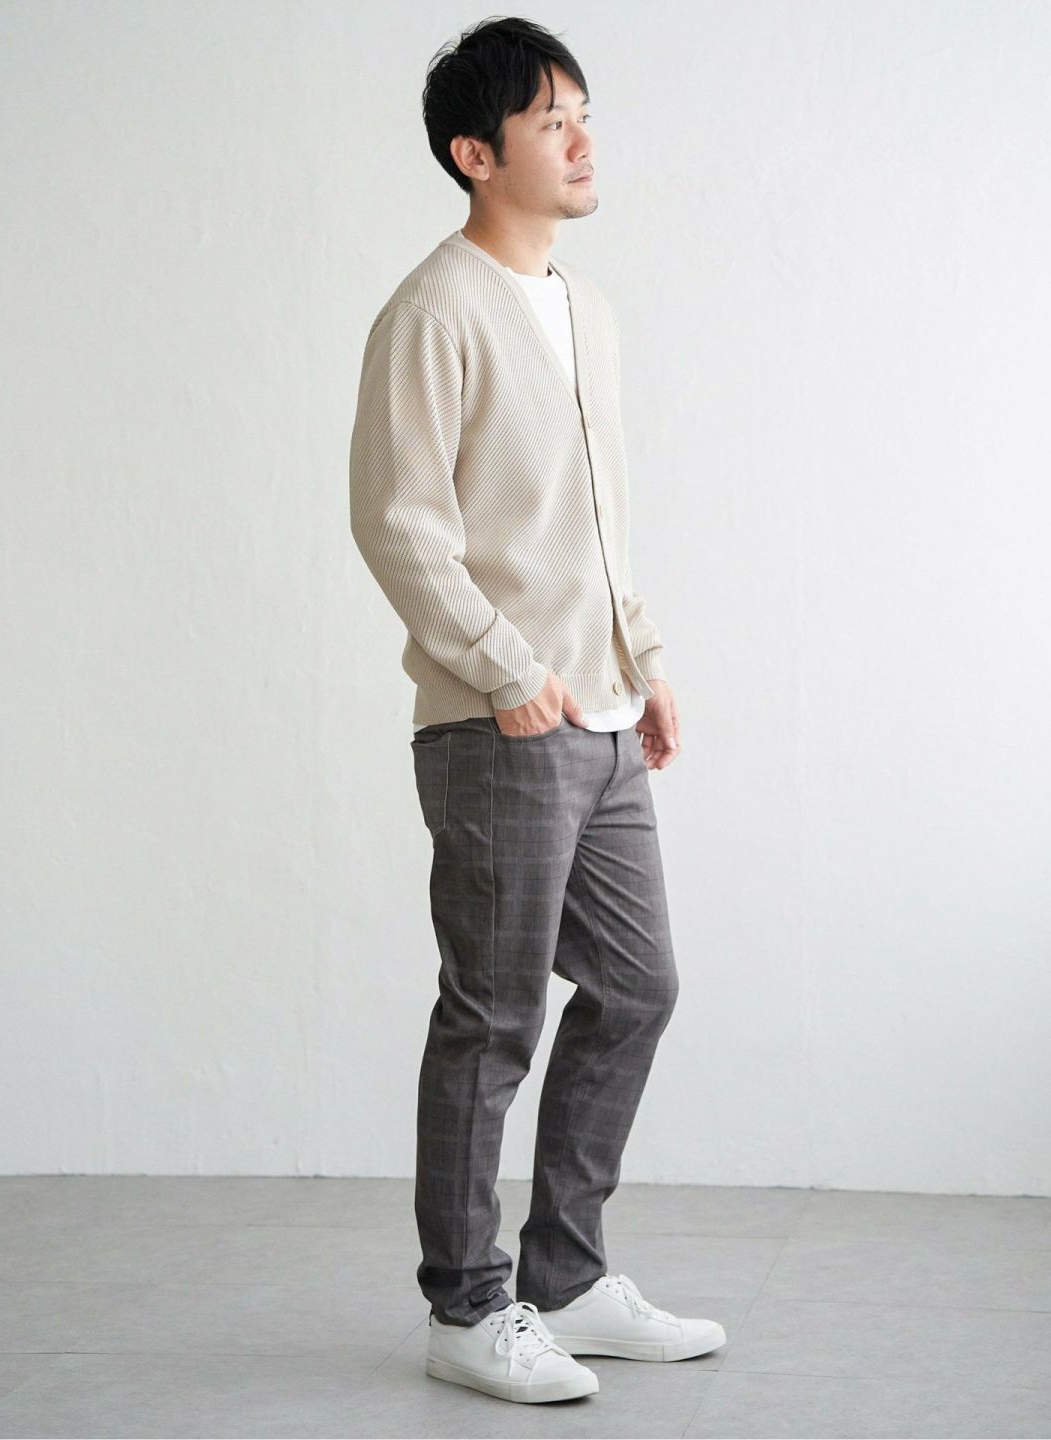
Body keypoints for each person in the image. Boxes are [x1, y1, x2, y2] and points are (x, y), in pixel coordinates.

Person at [348, 15, 725, 1405]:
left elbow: (597, 522)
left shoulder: (587, 312)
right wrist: (508, 670)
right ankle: (466, 1308)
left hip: (604, 713)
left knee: (636, 987)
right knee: (493, 1015)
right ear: (474, 152)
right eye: (549, 118)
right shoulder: (434, 311)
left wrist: (647, 659)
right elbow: (400, 524)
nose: (580, 139)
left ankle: (565, 1277)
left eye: (583, 112)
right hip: (499, 723)